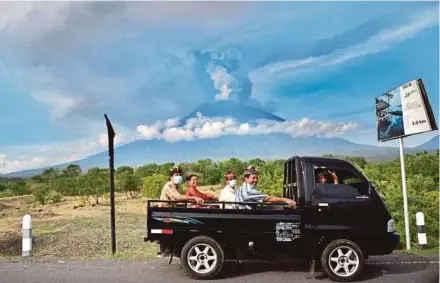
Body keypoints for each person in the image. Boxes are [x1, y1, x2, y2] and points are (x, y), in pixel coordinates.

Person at [157, 167, 204, 257]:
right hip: (165, 214)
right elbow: (177, 197)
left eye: (179, 175)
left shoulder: (175, 186)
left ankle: (176, 249)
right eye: (176, 175)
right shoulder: (168, 186)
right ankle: (169, 249)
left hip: (170, 212)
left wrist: (190, 203)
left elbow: (178, 201)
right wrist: (194, 198)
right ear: (171, 177)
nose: (178, 176)